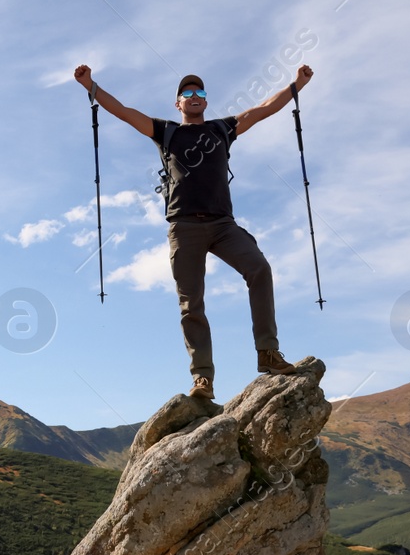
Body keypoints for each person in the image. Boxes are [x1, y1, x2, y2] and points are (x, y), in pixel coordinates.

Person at [71, 64, 314, 400]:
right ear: (178, 104)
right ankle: (203, 377)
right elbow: (125, 113)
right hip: (183, 226)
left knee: (259, 268)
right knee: (191, 304)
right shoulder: (166, 132)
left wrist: (296, 85)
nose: (194, 96)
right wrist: (91, 86)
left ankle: (268, 353)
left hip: (222, 225)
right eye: (187, 93)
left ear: (206, 101)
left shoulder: (222, 130)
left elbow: (263, 110)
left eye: (199, 92)